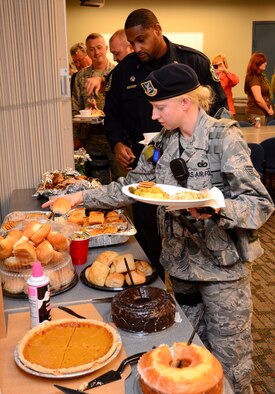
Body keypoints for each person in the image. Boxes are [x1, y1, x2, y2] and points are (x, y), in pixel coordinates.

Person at [42, 63, 274, 393]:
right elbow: (130, 186)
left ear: (186, 102)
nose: (153, 116)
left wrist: (217, 205)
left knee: (230, 364)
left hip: (223, 271)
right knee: (186, 356)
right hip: (180, 267)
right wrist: (80, 196)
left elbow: (259, 204)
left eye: (159, 107)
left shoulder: (224, 139)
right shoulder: (161, 143)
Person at [103, 8, 228, 277]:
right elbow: (111, 116)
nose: (136, 48)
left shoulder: (193, 61)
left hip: (192, 165)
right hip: (146, 164)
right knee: (148, 229)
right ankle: (155, 283)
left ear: (158, 30)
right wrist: (117, 145)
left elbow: (220, 109)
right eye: (131, 42)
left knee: (192, 228)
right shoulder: (124, 71)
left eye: (142, 40)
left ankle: (196, 280)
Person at [71, 33, 120, 183]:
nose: (96, 52)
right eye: (91, 49)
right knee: (97, 183)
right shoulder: (81, 76)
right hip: (92, 139)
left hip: (116, 139)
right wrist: (75, 137)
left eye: (99, 48)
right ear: (87, 52)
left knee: (122, 180)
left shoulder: (117, 72)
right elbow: (75, 107)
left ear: (106, 49)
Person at [244, 52, 274, 126]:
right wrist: (268, 110)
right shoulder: (254, 78)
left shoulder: (260, 76)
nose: (266, 63)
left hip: (261, 113)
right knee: (258, 136)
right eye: (263, 62)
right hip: (256, 113)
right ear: (257, 63)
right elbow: (258, 99)